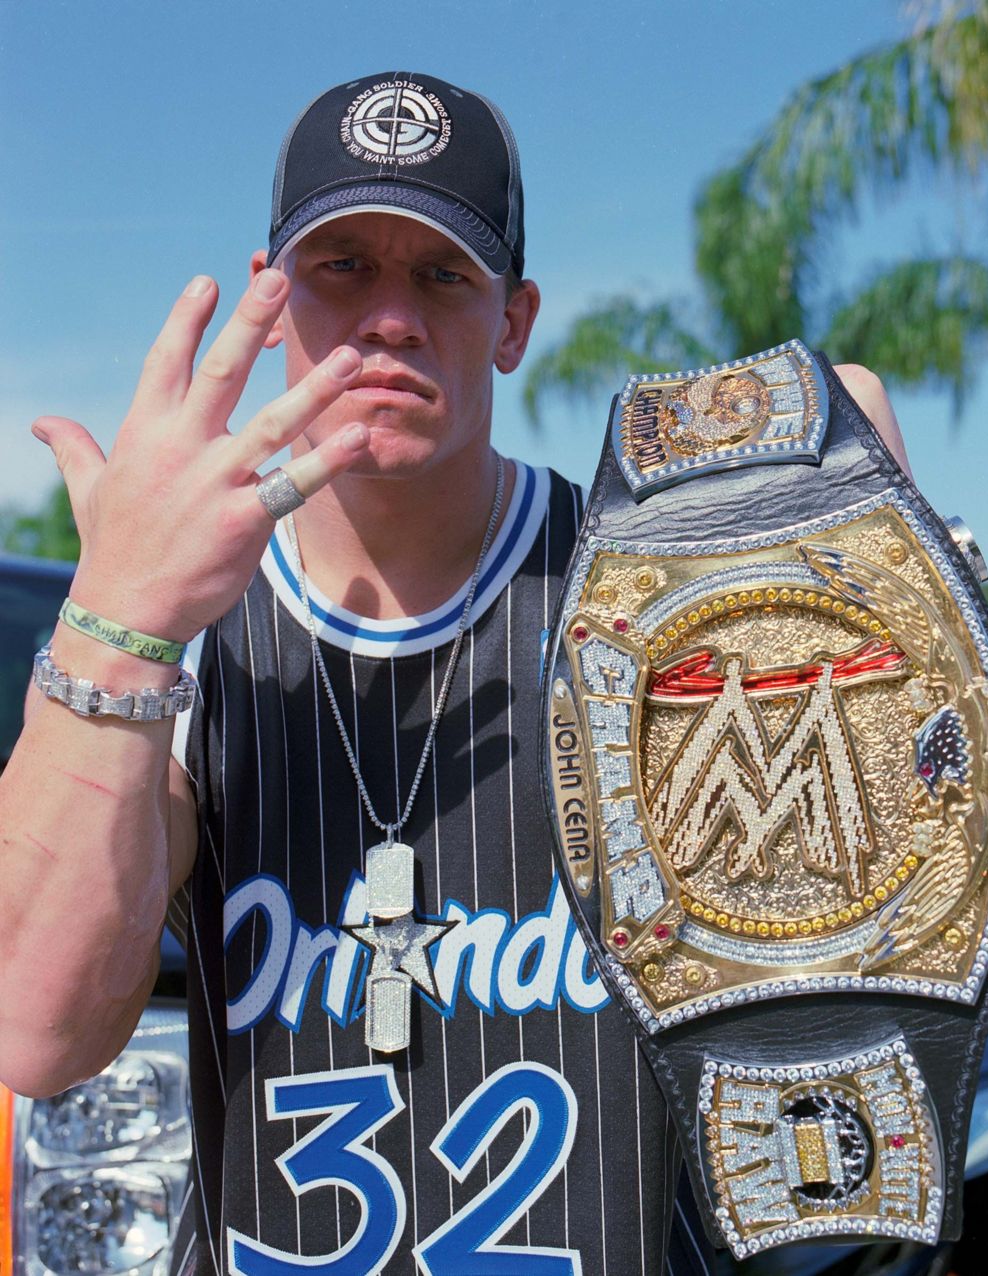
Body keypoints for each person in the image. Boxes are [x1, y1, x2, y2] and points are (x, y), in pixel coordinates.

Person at [0, 72, 912, 1274]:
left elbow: (880, 958)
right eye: (341, 268)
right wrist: (116, 616)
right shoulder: (172, 623)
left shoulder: (650, 592)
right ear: (271, 305)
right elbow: (39, 1027)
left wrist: (891, 653)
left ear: (515, 322)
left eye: (441, 274)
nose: (390, 317)